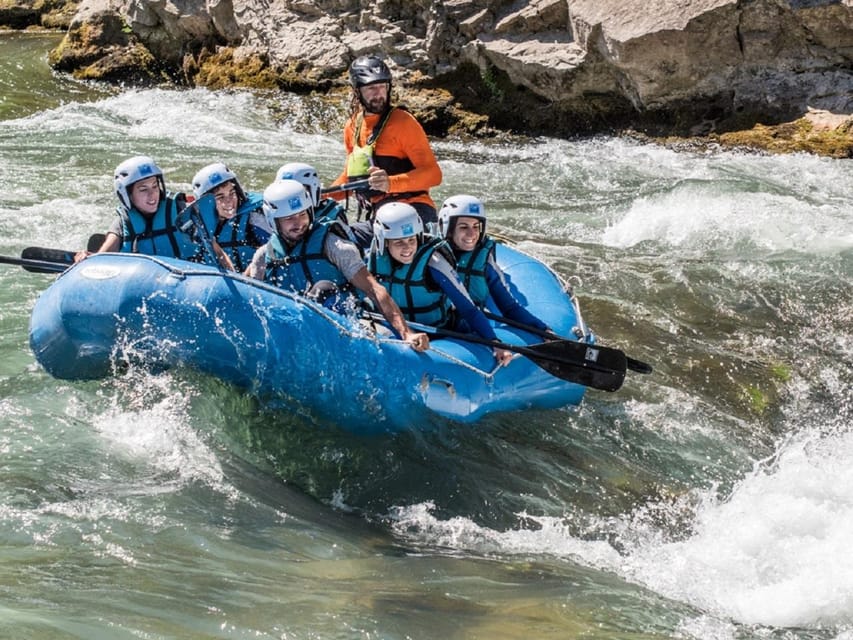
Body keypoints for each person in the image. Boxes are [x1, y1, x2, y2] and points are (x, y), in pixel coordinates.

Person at [244, 179, 429, 353]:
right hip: (291, 331)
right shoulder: (264, 256)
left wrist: (406, 333)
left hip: (342, 328)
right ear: (273, 220)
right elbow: (248, 295)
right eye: (289, 218)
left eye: (302, 214)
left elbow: (374, 289)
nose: (299, 223)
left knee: (323, 290)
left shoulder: (334, 246)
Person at [367, 202, 513, 367]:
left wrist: (495, 343)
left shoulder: (434, 263)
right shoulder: (373, 260)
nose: (408, 248)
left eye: (411, 240)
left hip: (438, 333)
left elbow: (469, 309)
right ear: (384, 242)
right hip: (397, 331)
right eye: (399, 242)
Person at [327, 54, 442, 246]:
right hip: (379, 216)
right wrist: (320, 197)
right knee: (331, 236)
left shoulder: (404, 123)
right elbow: (350, 178)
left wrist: (390, 183)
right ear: (357, 91)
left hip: (414, 211)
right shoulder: (352, 126)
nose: (379, 94)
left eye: (383, 87)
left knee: (394, 229)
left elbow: (434, 175)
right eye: (371, 88)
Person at [438, 195, 551, 332]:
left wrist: (542, 329)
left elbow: (509, 307)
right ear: (447, 228)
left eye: (476, 227)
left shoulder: (484, 261)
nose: (471, 234)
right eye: (463, 227)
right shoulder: (431, 258)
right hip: (436, 330)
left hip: (470, 329)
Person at [75, 155, 206, 263]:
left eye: (155, 186)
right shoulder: (123, 223)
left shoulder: (179, 209)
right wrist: (88, 259)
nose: (152, 194)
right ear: (127, 194)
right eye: (143, 189)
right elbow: (103, 258)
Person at [191, 162, 272, 271]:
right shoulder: (197, 225)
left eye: (232, 193)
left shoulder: (253, 218)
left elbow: (274, 250)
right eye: (220, 197)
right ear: (206, 204)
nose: (229, 201)